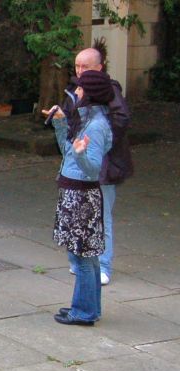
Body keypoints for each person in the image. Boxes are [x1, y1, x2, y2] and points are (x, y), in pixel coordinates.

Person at [43, 70, 114, 326]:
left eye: (81, 89)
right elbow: (67, 152)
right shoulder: (87, 119)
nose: (77, 92)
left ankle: (83, 312)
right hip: (76, 192)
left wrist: (81, 153)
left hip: (82, 197)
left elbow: (92, 167)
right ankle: (87, 307)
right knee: (87, 257)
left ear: (91, 94)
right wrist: (61, 123)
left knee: (84, 257)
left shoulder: (95, 126)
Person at [61, 46, 132, 286]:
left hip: (103, 164)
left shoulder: (108, 90)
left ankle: (103, 266)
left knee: (102, 217)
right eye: (77, 66)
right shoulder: (75, 89)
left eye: (86, 67)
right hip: (78, 162)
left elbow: (121, 119)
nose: (80, 71)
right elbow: (71, 125)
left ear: (99, 68)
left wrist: (100, 142)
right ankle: (79, 261)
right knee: (78, 216)